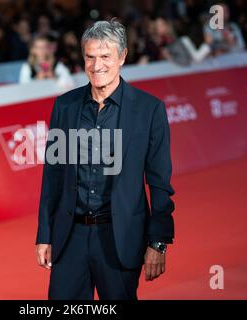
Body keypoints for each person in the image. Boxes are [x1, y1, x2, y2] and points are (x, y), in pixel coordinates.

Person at [35, 19, 175, 300]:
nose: (96, 65)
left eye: (105, 56)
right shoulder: (65, 106)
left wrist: (158, 242)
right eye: (90, 57)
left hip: (119, 238)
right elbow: (53, 176)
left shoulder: (149, 111)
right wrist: (45, 234)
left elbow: (159, 184)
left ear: (122, 57)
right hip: (70, 236)